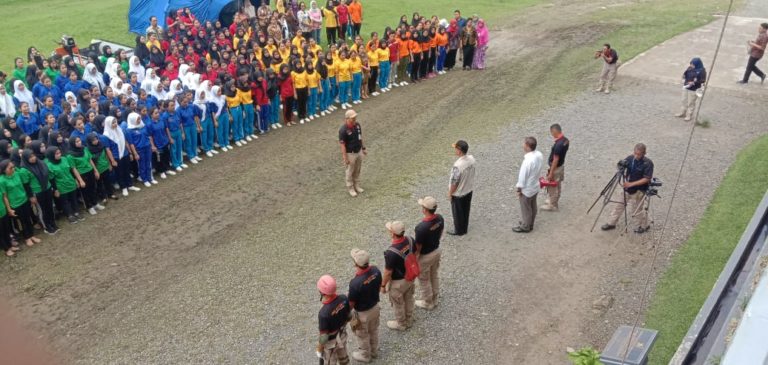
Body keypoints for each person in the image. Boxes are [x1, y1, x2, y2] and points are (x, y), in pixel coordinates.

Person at [601, 143, 654, 234]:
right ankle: (611, 223)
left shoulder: (648, 163)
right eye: (635, 153)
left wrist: (631, 184)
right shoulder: (630, 158)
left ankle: (644, 225)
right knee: (619, 205)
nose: (636, 156)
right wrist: (620, 167)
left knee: (636, 209)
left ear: (644, 153)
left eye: (639, 154)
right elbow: (621, 164)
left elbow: (647, 178)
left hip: (639, 190)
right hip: (627, 188)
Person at [347, 248, 381, 363]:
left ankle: (365, 355)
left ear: (355, 264)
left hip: (362, 314)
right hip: (375, 307)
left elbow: (351, 303)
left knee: (362, 335)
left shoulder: (355, 283)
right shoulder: (376, 271)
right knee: (374, 330)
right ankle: (374, 351)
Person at [381, 220, 415, 331]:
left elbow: (388, 272)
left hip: (398, 282)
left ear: (392, 233)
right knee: (409, 298)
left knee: (398, 303)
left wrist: (383, 285)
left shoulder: (391, 252)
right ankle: (409, 319)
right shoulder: (410, 240)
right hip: (410, 276)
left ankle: (401, 324)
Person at [413, 196, 443, 310]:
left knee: (424, 280)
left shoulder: (421, 227)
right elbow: (440, 233)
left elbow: (418, 246)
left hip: (426, 256)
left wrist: (416, 258)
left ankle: (428, 302)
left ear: (425, 209)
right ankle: (435, 297)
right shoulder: (440, 218)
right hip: (436, 250)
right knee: (434, 274)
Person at [316, 274, 351, 365]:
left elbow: (324, 337)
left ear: (322, 292)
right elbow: (349, 316)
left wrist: (319, 349)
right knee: (343, 355)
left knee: (330, 360)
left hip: (331, 344)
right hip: (342, 334)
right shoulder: (344, 298)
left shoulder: (323, 313)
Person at [513, 137, 544, 233]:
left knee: (526, 207)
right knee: (533, 205)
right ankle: (530, 223)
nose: (523, 145)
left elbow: (522, 178)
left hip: (527, 188)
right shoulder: (539, 155)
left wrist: (519, 190)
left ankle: (526, 226)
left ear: (527, 146)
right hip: (535, 185)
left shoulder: (527, 161)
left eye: (524, 144)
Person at [447, 140, 475, 235]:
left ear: (459, 150)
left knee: (458, 214)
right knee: (466, 210)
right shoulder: (471, 159)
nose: (454, 150)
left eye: (455, 148)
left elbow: (454, 182)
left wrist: (450, 193)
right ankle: (465, 227)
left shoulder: (458, 166)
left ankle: (459, 231)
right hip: (469, 190)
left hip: (459, 193)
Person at [541, 124, 569, 212]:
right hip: (561, 166)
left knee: (552, 186)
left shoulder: (558, 145)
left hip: (556, 168)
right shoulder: (565, 140)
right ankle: (554, 200)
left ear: (554, 131)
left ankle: (553, 205)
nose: (551, 134)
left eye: (551, 132)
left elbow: (555, 160)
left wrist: (551, 173)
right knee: (558, 183)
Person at [338, 109, 365, 197]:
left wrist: (363, 148)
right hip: (350, 154)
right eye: (353, 118)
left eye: (355, 117)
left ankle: (356, 185)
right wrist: (345, 157)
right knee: (350, 171)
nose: (355, 119)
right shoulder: (343, 130)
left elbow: (360, 137)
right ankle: (350, 187)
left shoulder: (357, 125)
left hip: (358, 151)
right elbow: (342, 145)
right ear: (347, 119)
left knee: (357, 169)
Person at [675, 58, 707, 122]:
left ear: (697, 64)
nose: (691, 65)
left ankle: (689, 115)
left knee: (691, 102)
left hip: (693, 89)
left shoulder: (702, 71)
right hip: (686, 87)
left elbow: (702, 80)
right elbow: (685, 73)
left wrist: (694, 82)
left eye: (693, 64)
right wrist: (684, 77)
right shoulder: (690, 68)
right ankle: (682, 112)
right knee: (684, 100)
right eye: (691, 64)